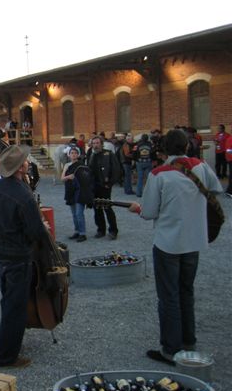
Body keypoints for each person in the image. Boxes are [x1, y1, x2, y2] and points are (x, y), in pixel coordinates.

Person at [127, 129, 222, 364]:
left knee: (169, 295)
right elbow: (215, 189)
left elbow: (149, 212)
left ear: (164, 149)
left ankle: (171, 348)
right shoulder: (200, 166)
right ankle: (189, 340)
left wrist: (138, 209)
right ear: (187, 146)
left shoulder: (159, 174)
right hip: (194, 240)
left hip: (168, 242)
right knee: (186, 291)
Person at [0, 144, 49, 368]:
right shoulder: (24, 195)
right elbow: (35, 232)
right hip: (17, 256)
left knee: (8, 299)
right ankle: (5, 356)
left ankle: (10, 343)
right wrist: (43, 227)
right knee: (15, 307)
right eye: (25, 160)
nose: (28, 162)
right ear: (20, 167)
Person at [88, 136, 121, 239]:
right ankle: (101, 230)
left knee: (107, 207)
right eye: (94, 143)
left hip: (105, 185)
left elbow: (116, 169)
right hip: (94, 186)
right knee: (97, 209)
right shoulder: (91, 155)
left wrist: (110, 183)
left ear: (101, 144)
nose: (95, 145)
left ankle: (113, 231)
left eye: (97, 143)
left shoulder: (109, 154)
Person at [61, 147, 93, 242]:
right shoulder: (67, 165)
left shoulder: (82, 165)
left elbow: (87, 179)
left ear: (78, 154)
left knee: (79, 213)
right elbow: (62, 178)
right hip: (70, 190)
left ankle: (83, 233)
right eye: (72, 153)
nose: (73, 154)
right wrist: (69, 177)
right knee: (74, 214)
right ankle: (77, 231)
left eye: (75, 153)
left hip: (80, 191)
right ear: (69, 154)